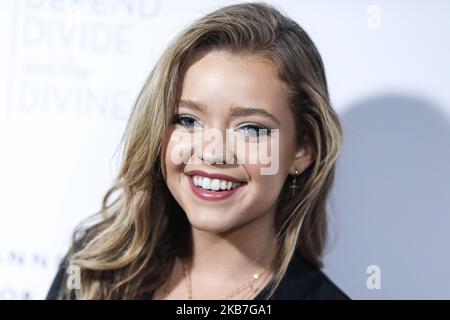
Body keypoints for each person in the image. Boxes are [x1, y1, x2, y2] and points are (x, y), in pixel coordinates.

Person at [47, 2, 348, 300]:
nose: (213, 153)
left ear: (303, 150)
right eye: (187, 120)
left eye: (251, 129)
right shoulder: (93, 271)